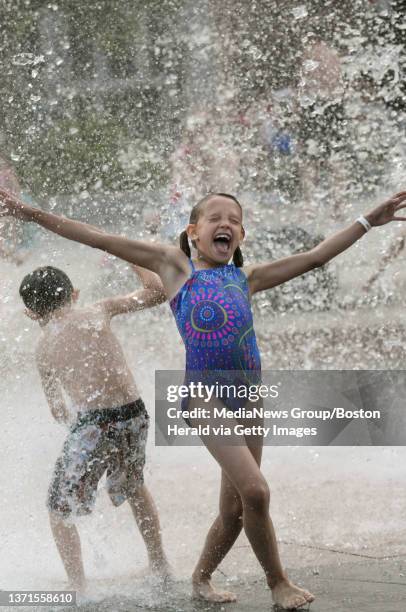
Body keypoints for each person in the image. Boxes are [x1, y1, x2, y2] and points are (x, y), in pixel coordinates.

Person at [2, 187, 406, 610]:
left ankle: (200, 579)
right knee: (257, 492)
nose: (225, 223)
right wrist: (30, 213)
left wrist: (366, 222)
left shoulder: (247, 278)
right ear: (194, 232)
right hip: (204, 397)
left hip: (248, 397)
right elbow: (95, 237)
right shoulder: (176, 270)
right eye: (215, 217)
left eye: (234, 218)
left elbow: (317, 257)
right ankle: (279, 583)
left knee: (233, 509)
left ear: (242, 236)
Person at [17, 262, 170, 593]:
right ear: (74, 294)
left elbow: (58, 410)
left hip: (93, 425)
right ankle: (159, 564)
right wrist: (134, 259)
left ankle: (77, 585)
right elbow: (158, 292)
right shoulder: (99, 310)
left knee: (59, 509)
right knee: (133, 486)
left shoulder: (43, 350)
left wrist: (82, 435)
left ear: (31, 313)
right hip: (133, 414)